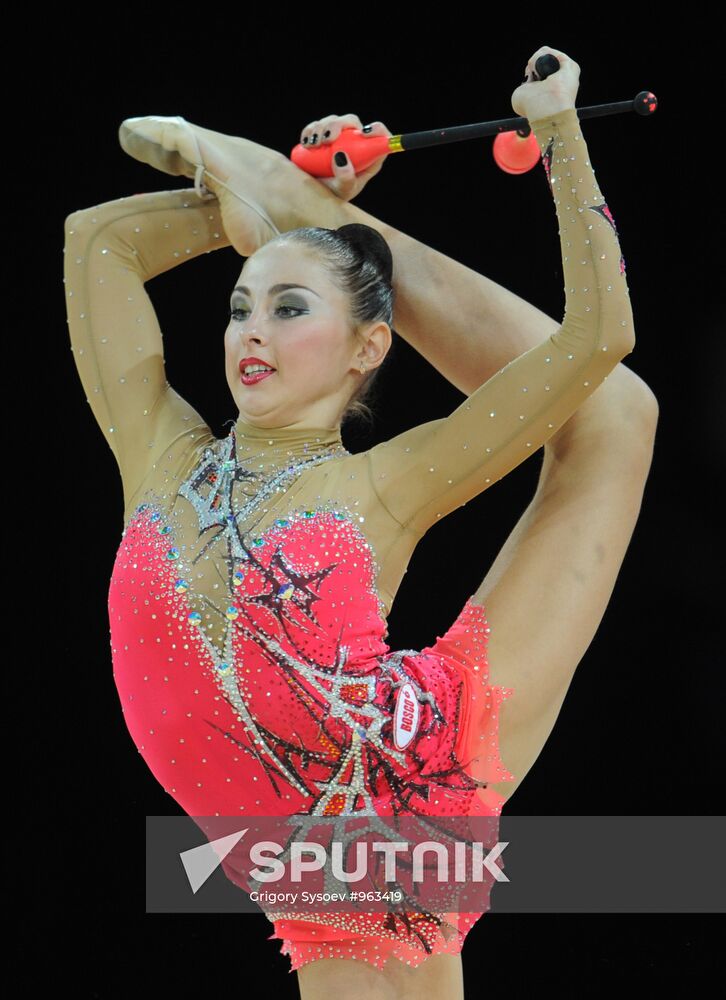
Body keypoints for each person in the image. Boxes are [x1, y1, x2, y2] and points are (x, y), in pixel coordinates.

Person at [63, 45, 657, 1000]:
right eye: (240, 306)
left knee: (617, 418)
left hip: (399, 789)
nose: (252, 330)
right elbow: (96, 241)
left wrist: (561, 134)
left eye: (288, 307)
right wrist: (248, 208)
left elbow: (600, 343)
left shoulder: (383, 484)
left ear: (367, 346)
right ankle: (298, 214)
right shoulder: (157, 449)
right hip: (335, 843)